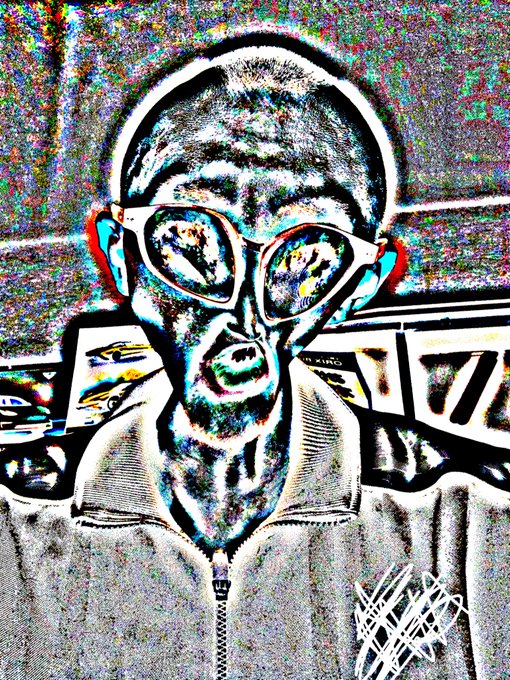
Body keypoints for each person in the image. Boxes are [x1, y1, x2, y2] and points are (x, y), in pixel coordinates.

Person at [1, 40, 509, 680]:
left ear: (358, 286)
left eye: (307, 257)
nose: (242, 312)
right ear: (121, 256)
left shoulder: (474, 515)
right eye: (190, 239)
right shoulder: (16, 521)